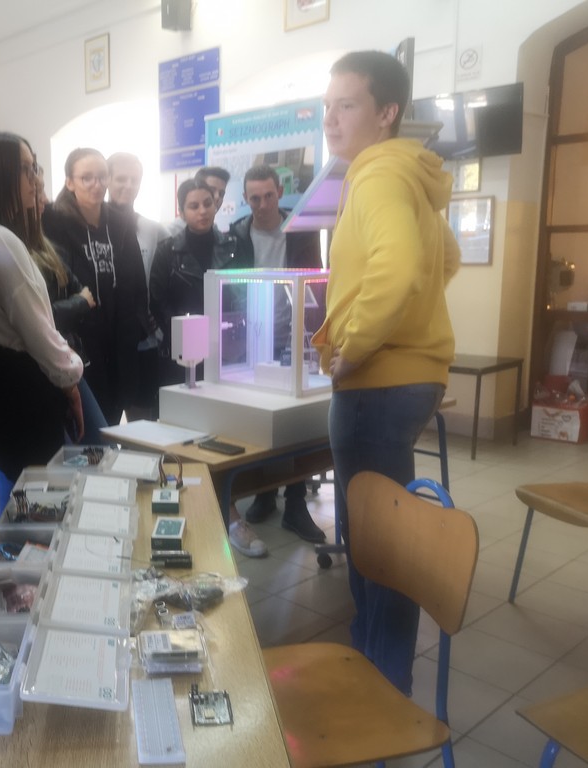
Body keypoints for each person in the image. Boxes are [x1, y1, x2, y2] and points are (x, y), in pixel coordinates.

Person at [313, 50, 459, 695]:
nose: (330, 118)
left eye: (347, 104)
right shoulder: (407, 172)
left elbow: (398, 269)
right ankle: (379, 670)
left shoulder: (375, 175)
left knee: (376, 544)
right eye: (327, 106)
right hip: (413, 376)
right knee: (384, 531)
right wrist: (407, 326)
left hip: (375, 382)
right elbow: (445, 258)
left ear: (386, 112)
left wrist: (357, 345)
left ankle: (382, 685)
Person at [0, 131, 85, 509]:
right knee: (37, 504)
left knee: (21, 496)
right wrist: (71, 378)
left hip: (10, 388)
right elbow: (37, 328)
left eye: (35, 168)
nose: (35, 179)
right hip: (24, 390)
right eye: (26, 169)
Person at [150, 177, 269, 558]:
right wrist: (179, 342)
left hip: (226, 354)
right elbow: (156, 304)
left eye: (207, 203)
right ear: (181, 210)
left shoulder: (235, 244)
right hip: (183, 357)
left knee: (222, 436)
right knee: (185, 438)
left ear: (216, 204)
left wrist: (239, 338)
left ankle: (230, 515)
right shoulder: (168, 250)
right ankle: (189, 511)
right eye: (193, 205)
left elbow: (246, 292)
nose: (201, 211)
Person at [231, 164, 326, 544]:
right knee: (258, 422)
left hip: (292, 334)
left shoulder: (301, 230)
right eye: (254, 198)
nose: (262, 204)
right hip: (253, 339)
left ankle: (296, 502)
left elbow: (316, 281)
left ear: (279, 192)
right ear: (245, 198)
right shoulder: (237, 233)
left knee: (295, 422)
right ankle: (265, 495)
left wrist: (313, 336)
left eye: (268, 195)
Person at [42, 147, 152, 424]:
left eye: (102, 177)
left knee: (113, 420)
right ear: (70, 182)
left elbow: (136, 279)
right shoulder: (53, 221)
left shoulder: (119, 221)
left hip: (119, 339)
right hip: (80, 342)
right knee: (89, 428)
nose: (96, 184)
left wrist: (138, 325)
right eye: (86, 178)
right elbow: (54, 282)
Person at [106, 152, 169, 420]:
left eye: (134, 179)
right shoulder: (92, 228)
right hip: (106, 342)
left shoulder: (154, 230)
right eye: (121, 178)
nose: (128, 185)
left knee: (142, 423)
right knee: (105, 423)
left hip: (143, 341)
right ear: (107, 180)